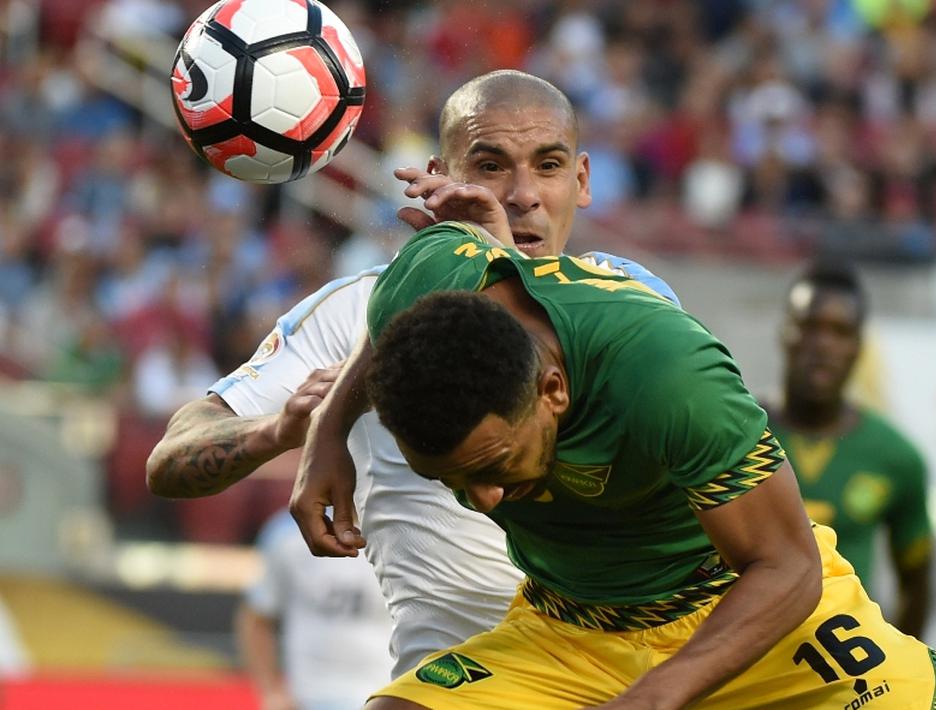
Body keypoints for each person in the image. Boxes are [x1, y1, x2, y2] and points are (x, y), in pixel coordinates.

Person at [297, 220, 936, 708]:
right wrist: (329, 433)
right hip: (571, 631)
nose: (485, 501)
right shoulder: (423, 285)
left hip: (746, 611)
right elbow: (405, 295)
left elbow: (787, 567)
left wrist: (654, 698)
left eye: (495, 466)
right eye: (451, 482)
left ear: (553, 389)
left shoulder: (666, 373)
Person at [146, 69, 677, 674]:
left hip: (622, 676)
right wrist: (284, 430)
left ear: (582, 180)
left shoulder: (632, 294)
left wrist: (495, 266)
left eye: (548, 166)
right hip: (450, 681)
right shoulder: (354, 308)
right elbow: (170, 461)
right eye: (492, 166)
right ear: (442, 177)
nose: (523, 194)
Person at [772, 261, 932, 637]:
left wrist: (897, 673)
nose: (823, 344)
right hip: (744, 674)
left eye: (840, 331)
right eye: (809, 326)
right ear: (785, 333)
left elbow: (917, 584)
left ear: (858, 347)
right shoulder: (734, 435)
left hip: (846, 680)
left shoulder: (897, 458)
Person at [236, 511, 394, 710]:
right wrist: (272, 693)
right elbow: (257, 618)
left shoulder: (402, 532)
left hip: (386, 698)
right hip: (308, 699)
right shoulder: (287, 533)